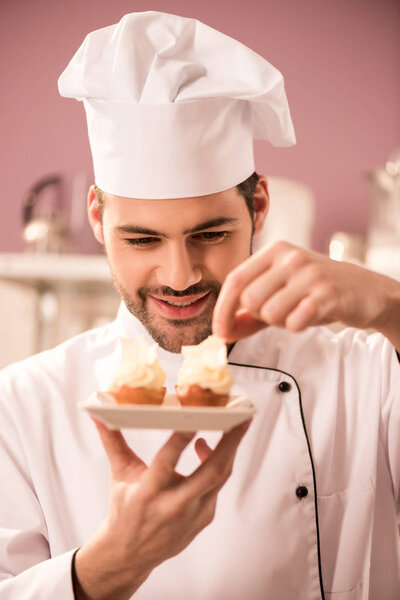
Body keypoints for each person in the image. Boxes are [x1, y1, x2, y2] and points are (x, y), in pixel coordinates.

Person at [0, 11, 399, 600]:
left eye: (209, 234)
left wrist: (393, 305)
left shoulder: (365, 374)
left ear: (258, 206)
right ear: (96, 218)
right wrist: (107, 566)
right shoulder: (23, 406)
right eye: (141, 240)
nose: (180, 276)